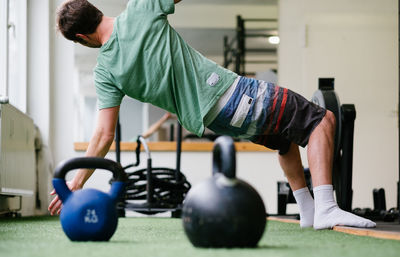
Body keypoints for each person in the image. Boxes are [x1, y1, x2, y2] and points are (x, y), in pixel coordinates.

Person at [49, 0, 376, 230]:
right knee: (321, 121)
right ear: (96, 9)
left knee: (285, 143)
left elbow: (103, 136)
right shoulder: (140, 8)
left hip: (214, 122)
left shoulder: (104, 71)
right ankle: (326, 208)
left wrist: (75, 182)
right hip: (231, 95)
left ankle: (308, 210)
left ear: (81, 37)